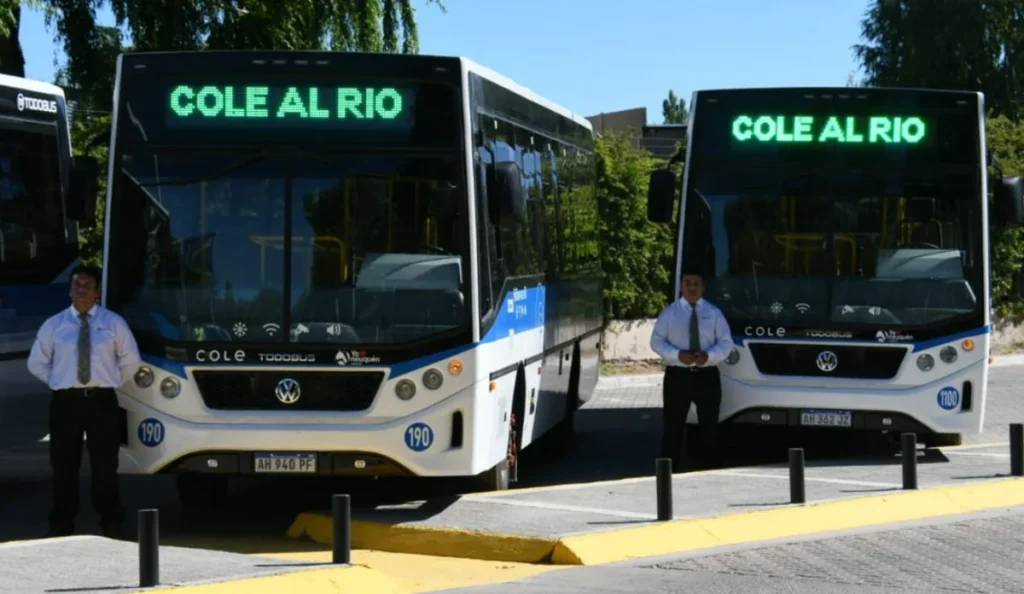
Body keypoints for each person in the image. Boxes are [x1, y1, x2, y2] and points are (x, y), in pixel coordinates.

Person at [27, 264, 141, 538]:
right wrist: (60, 382)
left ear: (97, 292)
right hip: (66, 403)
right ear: (69, 291)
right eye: (76, 285)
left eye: (87, 285)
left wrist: (108, 382)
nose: (81, 290)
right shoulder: (54, 325)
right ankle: (62, 521)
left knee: (105, 463)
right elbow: (37, 363)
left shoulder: (113, 323)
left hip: (102, 402)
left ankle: (111, 521)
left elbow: (131, 362)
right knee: (64, 463)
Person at [650, 268, 734, 471]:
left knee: (710, 425)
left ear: (703, 287)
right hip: (678, 376)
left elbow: (726, 343)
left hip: (707, 376)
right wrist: (676, 355)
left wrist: (709, 356)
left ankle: (711, 468)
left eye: (696, 283)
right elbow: (656, 342)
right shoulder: (670, 313)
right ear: (681, 286)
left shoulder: (713, 313)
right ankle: (668, 470)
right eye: (688, 283)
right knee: (673, 425)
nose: (692, 287)